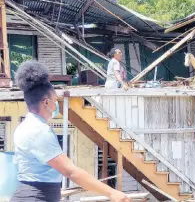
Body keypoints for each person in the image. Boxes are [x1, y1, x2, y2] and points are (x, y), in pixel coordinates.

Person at [10, 60, 131, 202]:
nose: (56, 105)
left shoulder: (25, 126)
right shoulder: (39, 131)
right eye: (55, 100)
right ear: (46, 102)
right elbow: (70, 171)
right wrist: (111, 193)